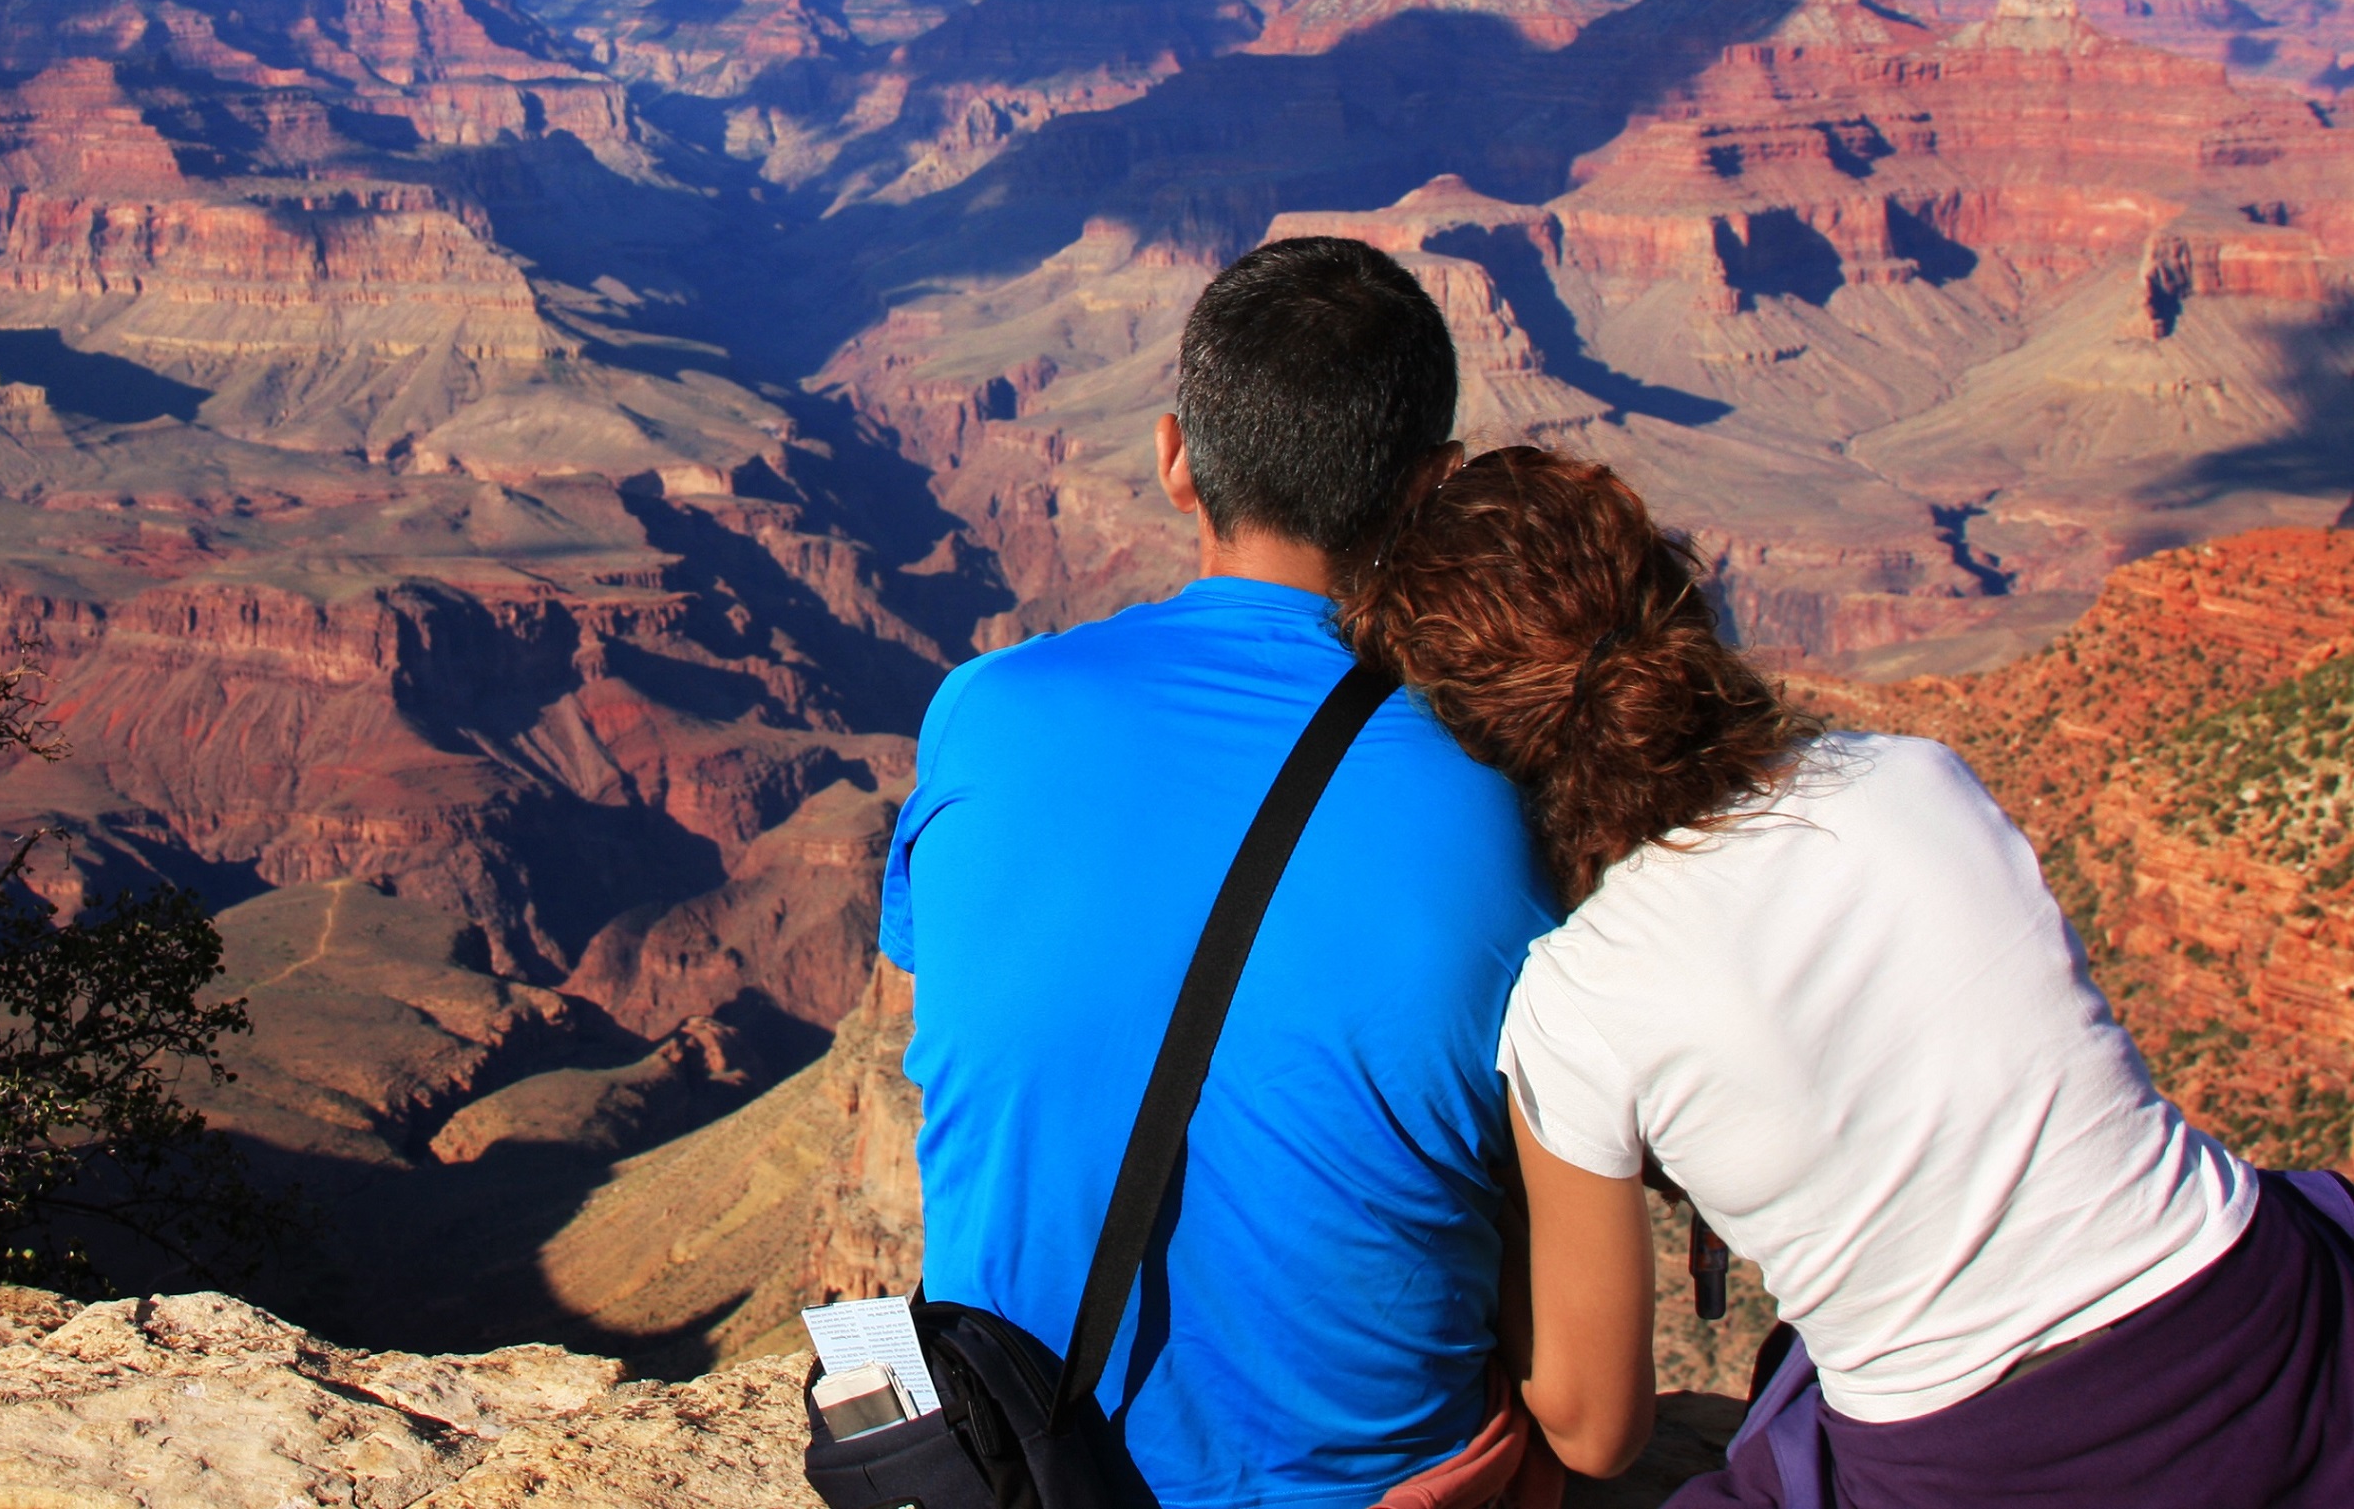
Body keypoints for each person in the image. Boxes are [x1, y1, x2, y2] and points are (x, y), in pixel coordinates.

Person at [1344, 444, 2354, 1508]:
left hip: (1985, 1464)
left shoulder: (1579, 1003)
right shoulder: (1915, 778)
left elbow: (1596, 1432)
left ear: (1475, 743)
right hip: (2275, 1327)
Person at [879, 236, 1562, 1509]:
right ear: (1434, 488)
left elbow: (989, 999)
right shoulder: (1508, 794)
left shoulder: (983, 710)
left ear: (1174, 456)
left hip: (1021, 1466)